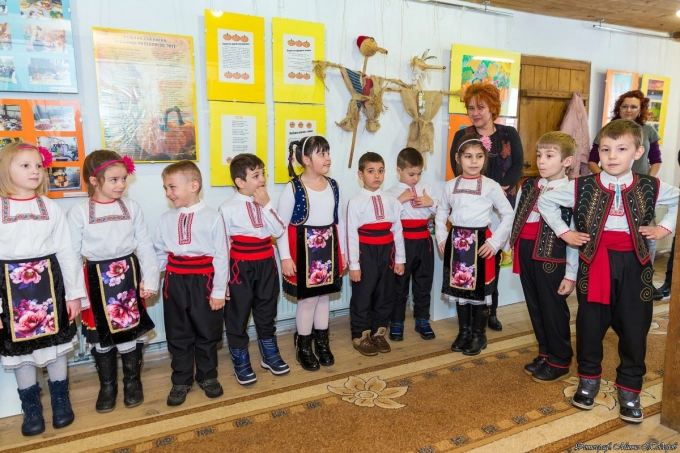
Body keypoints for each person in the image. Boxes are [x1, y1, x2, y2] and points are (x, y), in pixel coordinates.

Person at [538, 119, 679, 423]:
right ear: (597, 153)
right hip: (595, 263)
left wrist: (664, 228)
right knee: (590, 324)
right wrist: (565, 233)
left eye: (621, 149)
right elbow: (546, 201)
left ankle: (630, 387)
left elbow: (678, 198)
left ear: (638, 152)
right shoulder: (582, 185)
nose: (612, 156)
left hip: (635, 264)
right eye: (605, 149)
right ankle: (588, 379)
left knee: (635, 326)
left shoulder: (650, 185)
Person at [0, 142, 86, 436]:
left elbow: (66, 252)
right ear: (5, 169)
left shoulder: (49, 207)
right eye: (25, 165)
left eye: (38, 165)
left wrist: (73, 294)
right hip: (9, 290)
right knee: (20, 351)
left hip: (49, 285)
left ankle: (61, 400)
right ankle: (31, 407)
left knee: (55, 346)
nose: (35, 171)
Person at [67, 150, 158, 413]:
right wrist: (76, 292)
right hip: (95, 278)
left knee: (130, 330)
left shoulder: (131, 207)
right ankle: (107, 386)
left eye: (123, 179)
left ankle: (132, 382)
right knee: (101, 336)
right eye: (114, 180)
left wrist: (150, 278)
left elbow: (145, 245)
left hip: (128, 276)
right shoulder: (78, 211)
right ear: (94, 180)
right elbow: (71, 254)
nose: (121, 185)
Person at [449, 83, 524, 331]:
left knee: (494, 256)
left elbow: (518, 166)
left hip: (501, 204)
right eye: (471, 108)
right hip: (474, 207)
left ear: (492, 108)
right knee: (472, 259)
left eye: (480, 107)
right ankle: (470, 314)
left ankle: (491, 311)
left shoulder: (509, 134)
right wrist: (483, 193)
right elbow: (456, 168)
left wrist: (498, 189)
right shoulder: (462, 136)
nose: (475, 113)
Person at [153, 161, 227, 406]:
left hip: (204, 281)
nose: (168, 193)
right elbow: (159, 254)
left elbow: (222, 255)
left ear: (193, 186)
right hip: (175, 282)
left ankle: (207, 375)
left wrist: (219, 290)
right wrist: (150, 281)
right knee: (178, 332)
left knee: (207, 331)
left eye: (172, 186)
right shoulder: (165, 219)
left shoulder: (213, 217)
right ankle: (181, 379)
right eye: (165, 188)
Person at [437, 134, 514, 356]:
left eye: (479, 156)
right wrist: (442, 237)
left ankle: (479, 336)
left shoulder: (491, 186)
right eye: (468, 156)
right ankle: (464, 332)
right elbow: (442, 212)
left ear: (485, 159)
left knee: (480, 292)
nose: (474, 161)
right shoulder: (450, 186)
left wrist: (495, 242)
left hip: (481, 244)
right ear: (458, 158)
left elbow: (508, 214)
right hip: (458, 243)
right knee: (460, 288)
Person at [509, 132, 577, 382]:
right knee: (535, 306)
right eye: (539, 155)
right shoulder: (528, 185)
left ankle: (560, 360)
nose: (541, 161)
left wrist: (571, 274)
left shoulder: (572, 192)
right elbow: (517, 216)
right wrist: (511, 246)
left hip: (553, 255)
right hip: (526, 250)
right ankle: (545, 352)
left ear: (567, 161)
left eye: (549, 156)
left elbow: (574, 235)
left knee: (553, 308)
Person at [588, 90, 664, 300]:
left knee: (647, 235)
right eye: (624, 106)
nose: (628, 110)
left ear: (641, 110)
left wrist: (648, 182)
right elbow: (592, 160)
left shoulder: (648, 131)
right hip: (610, 190)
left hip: (640, 190)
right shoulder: (607, 130)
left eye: (633, 106)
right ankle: (609, 279)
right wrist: (605, 180)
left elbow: (656, 160)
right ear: (618, 108)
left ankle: (646, 280)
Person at [278, 136, 346, 371]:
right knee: (307, 301)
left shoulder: (334, 185)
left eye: (328, 153)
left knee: (324, 298)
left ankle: (322, 343)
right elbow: (280, 226)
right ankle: (304, 346)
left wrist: (343, 253)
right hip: (303, 251)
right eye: (321, 154)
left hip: (327, 249)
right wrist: (285, 257)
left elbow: (339, 222)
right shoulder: (292, 188)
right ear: (306, 160)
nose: (328, 158)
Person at [219, 154, 288, 385]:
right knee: (237, 314)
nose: (263, 179)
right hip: (240, 267)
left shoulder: (266, 202)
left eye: (263, 174)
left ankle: (269, 353)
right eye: (256, 175)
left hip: (266, 264)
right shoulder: (227, 207)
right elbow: (223, 246)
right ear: (240, 182)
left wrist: (266, 205)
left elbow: (279, 230)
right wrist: (223, 280)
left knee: (266, 310)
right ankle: (240, 357)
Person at [346, 152, 405, 356]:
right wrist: (354, 265)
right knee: (363, 294)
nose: (376, 175)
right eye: (371, 171)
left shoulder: (391, 200)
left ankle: (378, 332)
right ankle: (360, 335)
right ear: (360, 174)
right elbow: (351, 234)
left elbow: (398, 231)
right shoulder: (355, 201)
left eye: (380, 171)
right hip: (366, 252)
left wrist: (400, 259)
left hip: (387, 252)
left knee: (385, 293)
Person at [385, 148, 438, 341]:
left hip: (424, 241)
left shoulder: (427, 189)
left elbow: (442, 211)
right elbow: (386, 217)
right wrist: (400, 200)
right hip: (402, 242)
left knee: (424, 283)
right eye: (411, 174)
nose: (415, 178)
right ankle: (396, 321)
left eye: (418, 174)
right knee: (399, 284)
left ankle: (422, 319)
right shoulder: (391, 193)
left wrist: (430, 202)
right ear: (399, 170)